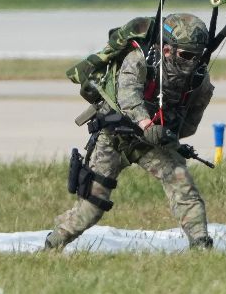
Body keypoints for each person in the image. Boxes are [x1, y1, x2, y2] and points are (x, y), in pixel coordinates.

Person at [44, 12, 216, 251]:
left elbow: (190, 121)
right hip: (113, 135)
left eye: (198, 56)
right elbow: (128, 97)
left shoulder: (198, 78)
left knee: (182, 183)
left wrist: (168, 135)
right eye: (187, 55)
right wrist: (147, 125)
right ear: (167, 50)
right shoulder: (139, 59)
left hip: (150, 142)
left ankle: (201, 245)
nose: (193, 62)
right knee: (92, 206)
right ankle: (52, 245)